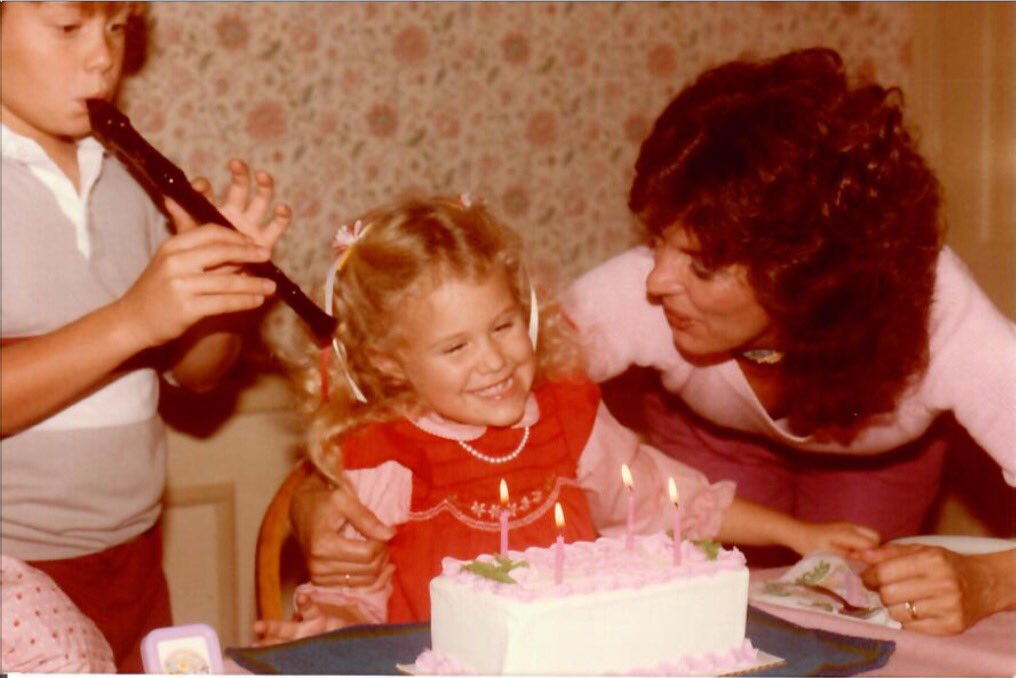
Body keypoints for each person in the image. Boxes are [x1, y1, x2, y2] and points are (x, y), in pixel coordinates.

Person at [288, 48, 1015, 636]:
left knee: (865, 617)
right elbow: (417, 416)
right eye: (659, 240)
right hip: (707, 455)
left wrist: (988, 581)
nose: (657, 279)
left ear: (805, 275)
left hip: (877, 464)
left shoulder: (942, 319)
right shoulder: (635, 296)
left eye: (701, 264)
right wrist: (318, 504)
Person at [254, 196, 879, 643]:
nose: (494, 360)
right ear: (390, 363)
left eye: (503, 326)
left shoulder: (565, 416)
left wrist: (798, 534)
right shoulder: (387, 456)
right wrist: (331, 624)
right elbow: (354, 596)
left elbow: (669, 500)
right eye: (456, 347)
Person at [1, 2, 291, 670]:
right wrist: (133, 318)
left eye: (116, 28)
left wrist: (220, 294)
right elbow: (133, 325)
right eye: (68, 28)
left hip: (131, 555)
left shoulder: (126, 180)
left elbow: (197, 374)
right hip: (13, 569)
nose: (103, 56)